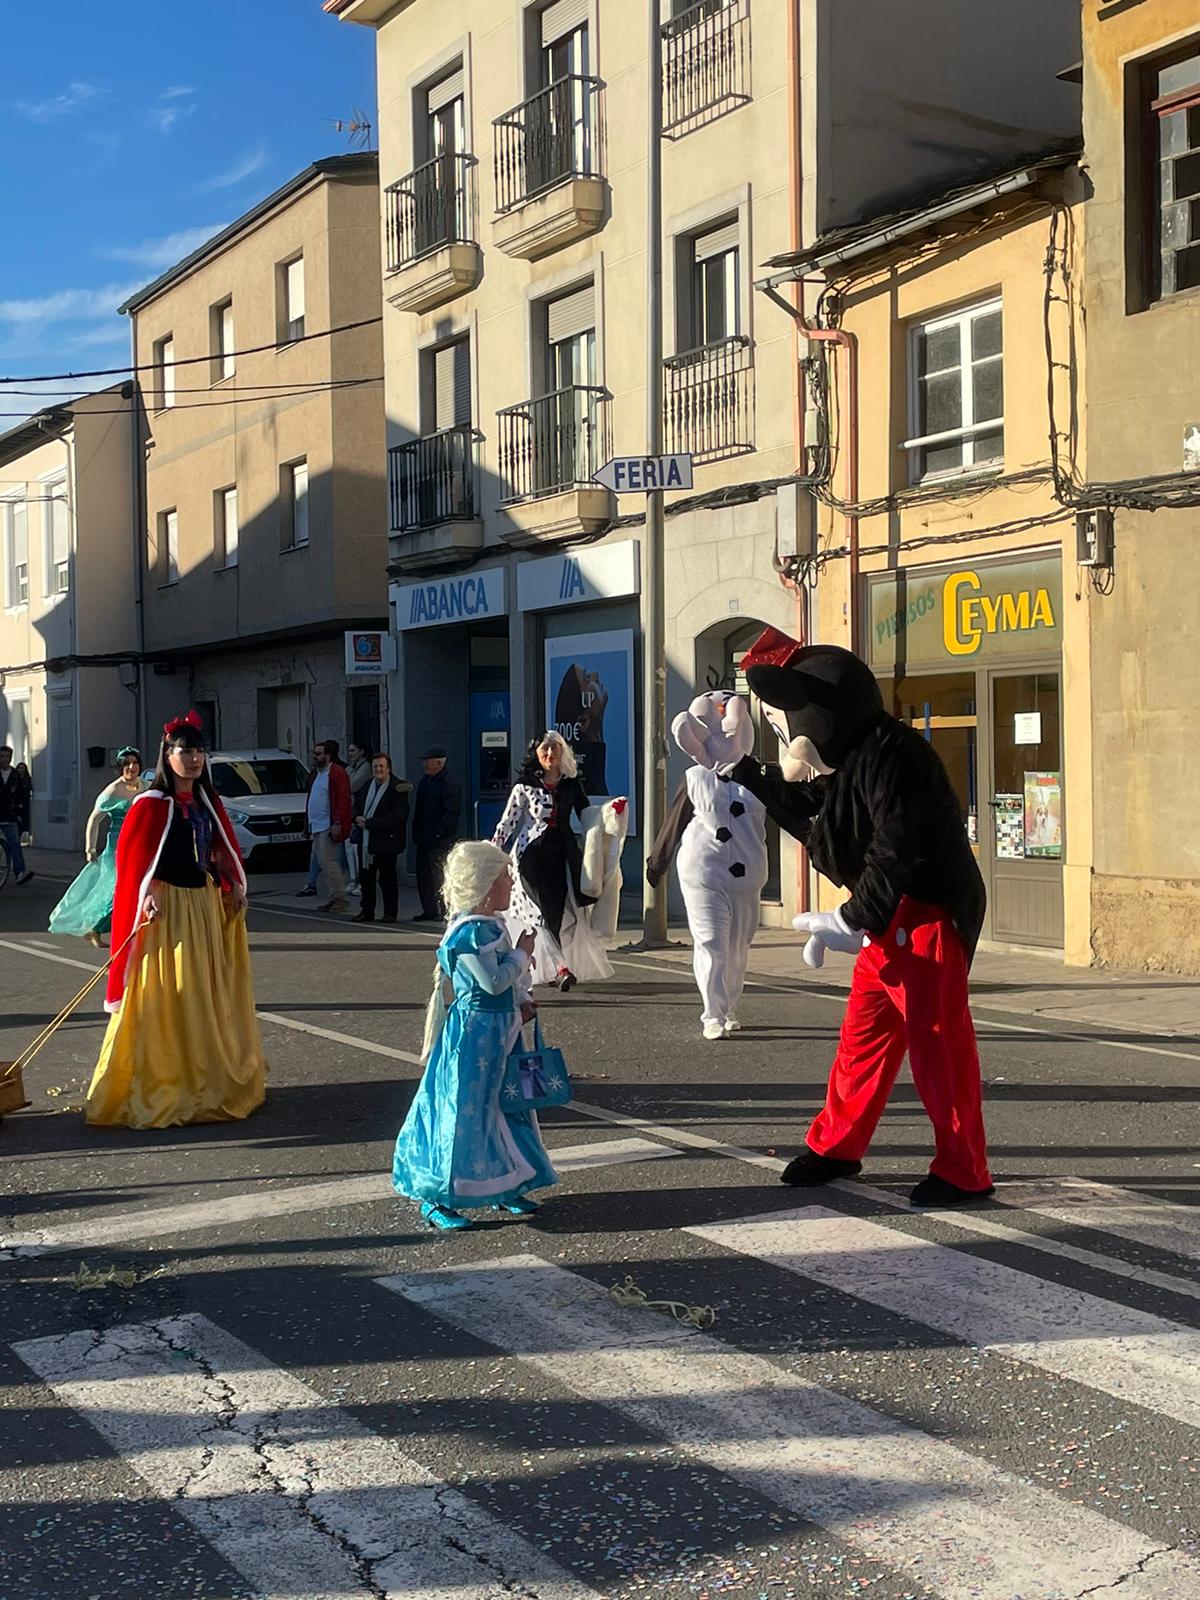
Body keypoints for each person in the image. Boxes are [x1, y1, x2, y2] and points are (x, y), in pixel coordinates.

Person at [726, 627, 992, 1207]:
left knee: (939, 1046)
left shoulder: (896, 758)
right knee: (863, 1038)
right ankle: (836, 1146)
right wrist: (746, 771)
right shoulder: (849, 760)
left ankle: (963, 1168)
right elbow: (819, 826)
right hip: (887, 915)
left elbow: (896, 847)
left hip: (928, 915)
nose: (788, 735)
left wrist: (853, 915)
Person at [85, 711, 267, 1129]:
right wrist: (146, 892)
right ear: (167, 756)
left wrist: (231, 880)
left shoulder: (206, 802)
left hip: (202, 905)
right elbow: (136, 866)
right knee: (173, 994)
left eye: (199, 751)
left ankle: (205, 1077)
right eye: (185, 751)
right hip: (170, 913)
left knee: (204, 992)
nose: (194, 758)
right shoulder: (149, 805)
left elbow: (219, 849)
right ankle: (170, 1080)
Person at [392, 839, 557, 1230]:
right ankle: (437, 1197)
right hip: (474, 1038)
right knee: (462, 1114)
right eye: (505, 878)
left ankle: (506, 1184)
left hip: (499, 1032)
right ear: (484, 884)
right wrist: (523, 952)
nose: (512, 885)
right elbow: (491, 981)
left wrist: (522, 1000)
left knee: (507, 1108)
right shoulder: (469, 933)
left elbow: (501, 984)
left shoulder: (487, 927)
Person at [647, 692, 767, 1041]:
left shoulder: (758, 776)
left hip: (748, 876)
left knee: (737, 947)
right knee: (712, 942)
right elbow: (676, 819)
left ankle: (728, 1007)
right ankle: (711, 1014)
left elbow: (790, 813)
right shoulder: (696, 777)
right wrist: (658, 862)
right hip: (704, 871)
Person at [492, 731, 613, 991]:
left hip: (562, 856)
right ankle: (561, 968)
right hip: (530, 858)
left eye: (554, 749)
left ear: (562, 752)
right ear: (536, 754)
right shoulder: (524, 786)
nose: (549, 754)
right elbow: (508, 822)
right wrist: (492, 852)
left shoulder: (571, 784)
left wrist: (612, 815)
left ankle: (544, 966)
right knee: (540, 913)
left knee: (556, 916)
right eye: (544, 750)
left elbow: (587, 814)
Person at [49, 748, 146, 947]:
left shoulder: (146, 785)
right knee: (115, 889)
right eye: (126, 764)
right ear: (120, 768)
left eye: (135, 763)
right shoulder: (112, 790)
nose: (131, 767)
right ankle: (95, 927)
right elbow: (94, 819)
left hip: (140, 842)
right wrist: (90, 848)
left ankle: (120, 927)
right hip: (118, 846)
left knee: (140, 886)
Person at [353, 754, 412, 924]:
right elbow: (356, 806)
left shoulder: (398, 787)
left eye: (381, 766)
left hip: (387, 842)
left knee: (387, 879)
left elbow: (398, 817)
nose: (378, 769)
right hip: (366, 841)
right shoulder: (367, 786)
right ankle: (366, 911)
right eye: (375, 767)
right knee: (366, 878)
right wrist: (356, 817)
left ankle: (390, 913)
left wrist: (370, 823)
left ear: (388, 768)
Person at [411, 745, 461, 922]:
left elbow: (451, 812)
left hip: (440, 840)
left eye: (428, 761)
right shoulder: (425, 781)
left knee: (440, 877)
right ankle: (429, 910)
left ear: (439, 763)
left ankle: (445, 910)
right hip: (423, 838)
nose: (425, 764)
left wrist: (439, 833)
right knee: (424, 876)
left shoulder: (449, 783)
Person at [306, 738, 351, 914]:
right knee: (323, 863)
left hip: (327, 824)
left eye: (318, 754)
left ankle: (340, 897)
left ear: (328, 756)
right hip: (316, 824)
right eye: (314, 754)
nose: (315, 757)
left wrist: (337, 822)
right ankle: (334, 897)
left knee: (329, 862)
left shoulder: (336, 773)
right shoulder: (317, 774)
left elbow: (343, 798)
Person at [0, 744, 34, 885]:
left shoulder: (16, 776)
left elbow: (21, 796)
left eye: (7, 756)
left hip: (10, 816)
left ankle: (20, 872)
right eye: (2, 756)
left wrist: (20, 814)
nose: (4, 759)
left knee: (14, 845)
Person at [344, 742, 372, 894]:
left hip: (360, 812)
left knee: (357, 848)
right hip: (349, 811)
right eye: (349, 750)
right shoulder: (350, 768)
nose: (350, 753)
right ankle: (353, 879)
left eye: (353, 750)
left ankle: (361, 881)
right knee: (349, 847)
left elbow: (350, 786)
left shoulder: (365, 768)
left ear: (362, 751)